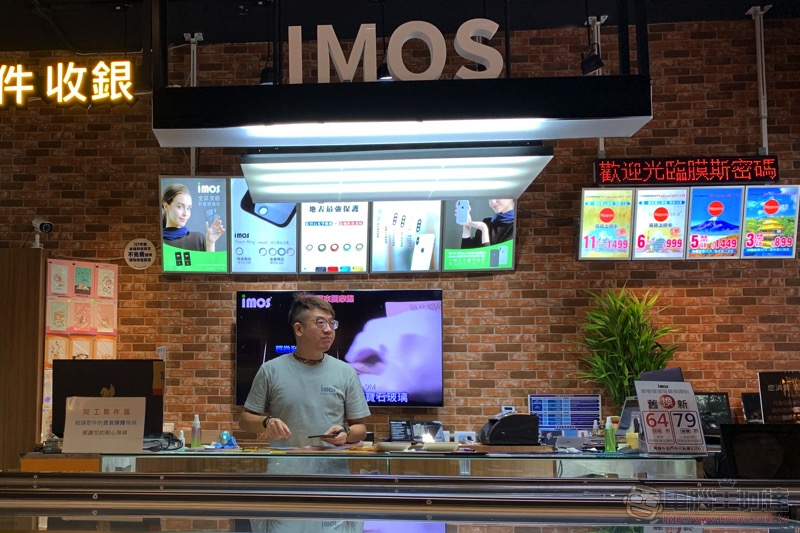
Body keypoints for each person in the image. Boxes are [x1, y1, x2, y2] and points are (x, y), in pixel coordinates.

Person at [240, 293, 371, 450]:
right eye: (320, 323)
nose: (328, 330)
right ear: (299, 329)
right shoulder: (270, 370)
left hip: (331, 464)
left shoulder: (346, 372)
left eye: (331, 323)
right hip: (284, 464)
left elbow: (360, 429)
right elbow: (245, 420)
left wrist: (346, 432)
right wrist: (267, 422)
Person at [161, 183, 225, 251]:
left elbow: (209, 258)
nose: (185, 213)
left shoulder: (198, 239)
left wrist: (210, 243)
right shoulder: (160, 241)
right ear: (166, 206)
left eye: (188, 208)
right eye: (179, 207)